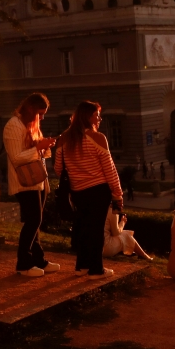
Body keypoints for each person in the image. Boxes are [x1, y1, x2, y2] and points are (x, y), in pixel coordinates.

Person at [55, 101, 123, 278]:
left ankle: (82, 266)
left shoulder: (64, 138)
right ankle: (96, 269)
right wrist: (117, 192)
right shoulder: (97, 138)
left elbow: (58, 168)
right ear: (87, 117)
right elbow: (109, 169)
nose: (99, 118)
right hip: (98, 190)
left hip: (77, 191)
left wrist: (77, 173)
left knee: (84, 227)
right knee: (97, 230)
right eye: (97, 115)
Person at [4, 93, 59, 277]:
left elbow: (39, 154)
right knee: (33, 220)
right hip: (23, 181)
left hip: (37, 179)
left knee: (36, 221)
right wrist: (37, 148)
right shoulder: (13, 125)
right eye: (40, 113)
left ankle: (38, 260)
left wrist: (45, 146)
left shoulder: (33, 125)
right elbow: (16, 158)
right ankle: (23, 263)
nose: (42, 117)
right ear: (30, 109)